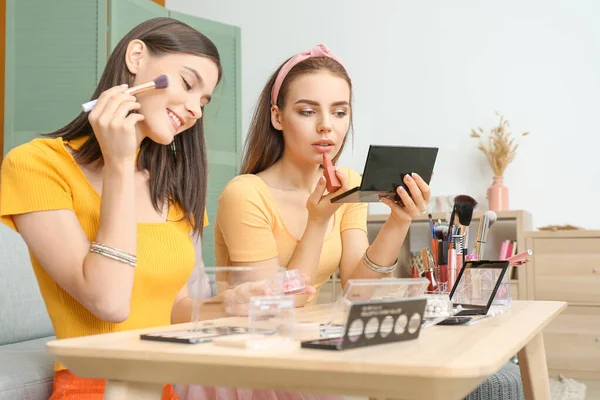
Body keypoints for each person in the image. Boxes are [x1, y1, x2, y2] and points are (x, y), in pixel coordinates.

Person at [0, 17, 222, 399]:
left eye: (203, 101)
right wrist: (120, 163)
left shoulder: (174, 183)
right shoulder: (36, 165)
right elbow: (110, 302)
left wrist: (232, 305)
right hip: (92, 388)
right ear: (136, 56)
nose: (195, 110)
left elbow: (176, 306)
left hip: (163, 388)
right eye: (187, 84)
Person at [214, 44, 432, 306]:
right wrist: (317, 223)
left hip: (309, 338)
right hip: (250, 340)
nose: (326, 125)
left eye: (340, 112)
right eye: (307, 111)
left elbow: (358, 291)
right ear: (277, 117)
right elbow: (274, 305)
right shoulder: (245, 194)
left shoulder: (348, 183)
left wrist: (399, 220)